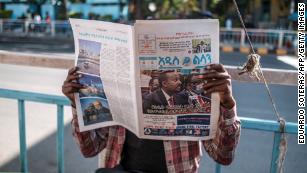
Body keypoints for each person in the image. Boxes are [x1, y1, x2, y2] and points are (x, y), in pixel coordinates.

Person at [62, 64, 241, 173]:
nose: (180, 83)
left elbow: (223, 156)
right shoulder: (120, 94)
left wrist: (227, 104)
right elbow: (89, 149)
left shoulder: (189, 100)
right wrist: (77, 104)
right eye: (175, 80)